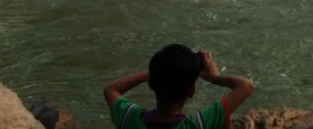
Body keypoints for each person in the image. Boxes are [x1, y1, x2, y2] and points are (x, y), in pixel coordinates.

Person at [104, 45, 254, 128]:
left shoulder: (130, 119)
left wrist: (158, 71)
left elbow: (111, 90)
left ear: (151, 84)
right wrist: (212, 77)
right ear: (191, 90)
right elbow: (246, 85)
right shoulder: (198, 124)